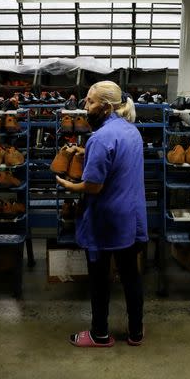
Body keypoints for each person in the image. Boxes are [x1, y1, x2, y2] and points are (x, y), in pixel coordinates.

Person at [55, 81, 148, 348]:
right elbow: (117, 160)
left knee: (99, 278)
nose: (86, 106)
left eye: (90, 102)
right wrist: (88, 152)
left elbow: (93, 186)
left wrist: (69, 185)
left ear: (106, 108)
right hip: (131, 215)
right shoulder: (131, 131)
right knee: (131, 275)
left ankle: (100, 334)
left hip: (106, 218)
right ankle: (135, 332)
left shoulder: (100, 138)